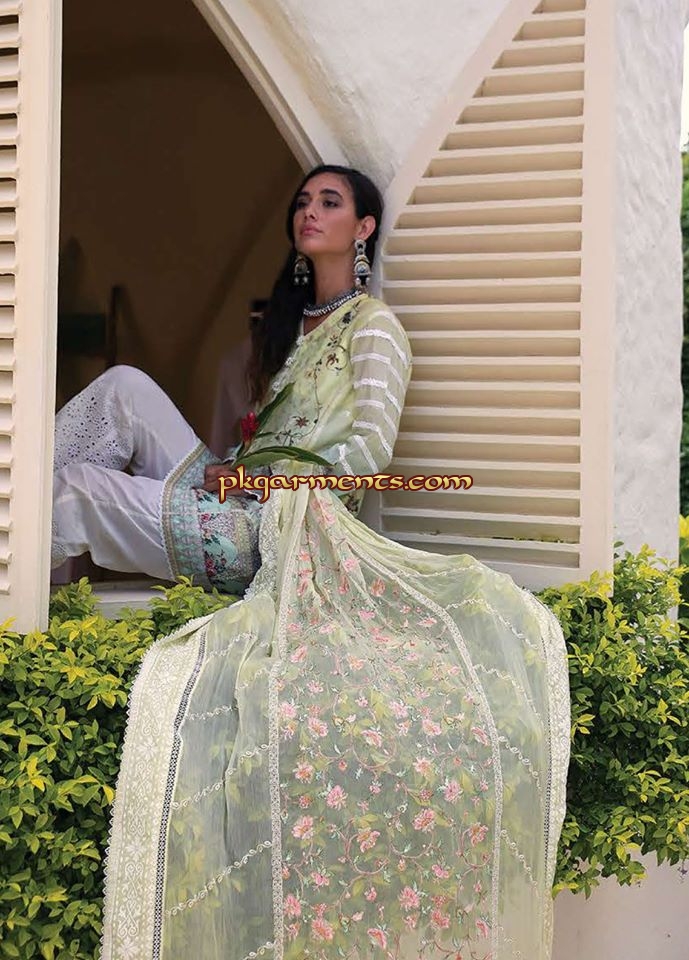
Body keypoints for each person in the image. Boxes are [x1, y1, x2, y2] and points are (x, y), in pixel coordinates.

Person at [67, 165, 571, 960]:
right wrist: (234, 472)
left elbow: (369, 454)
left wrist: (266, 485)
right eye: (302, 201)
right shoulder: (291, 328)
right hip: (237, 495)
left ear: (363, 228)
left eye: (329, 202)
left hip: (278, 529)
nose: (309, 211)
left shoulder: (374, 329)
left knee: (77, 490)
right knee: (124, 387)